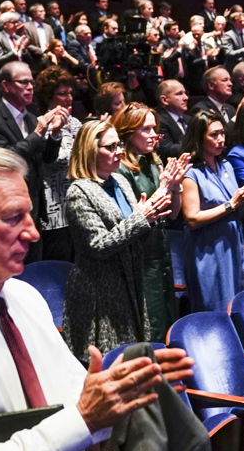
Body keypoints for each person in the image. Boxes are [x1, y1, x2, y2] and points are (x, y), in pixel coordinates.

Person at [0, 146, 193, 451]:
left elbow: (72, 392)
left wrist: (119, 392)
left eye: (29, 214)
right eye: (13, 217)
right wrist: (84, 420)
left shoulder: (24, 297)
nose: (32, 233)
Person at [63, 120, 173, 356]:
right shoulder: (79, 192)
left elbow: (135, 228)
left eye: (119, 145)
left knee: (134, 359)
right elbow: (99, 245)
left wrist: (155, 210)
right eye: (110, 147)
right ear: (90, 151)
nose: (119, 151)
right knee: (110, 363)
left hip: (130, 282)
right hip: (100, 292)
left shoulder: (121, 182)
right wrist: (141, 218)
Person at [112, 103, 188, 341]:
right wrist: (165, 186)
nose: (154, 134)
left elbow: (173, 214)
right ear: (127, 132)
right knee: (149, 322)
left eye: (154, 128)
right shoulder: (120, 169)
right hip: (139, 253)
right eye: (145, 129)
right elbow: (137, 217)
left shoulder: (153, 162)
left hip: (160, 249)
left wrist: (175, 188)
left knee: (166, 317)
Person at [0, 61, 66, 256]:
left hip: (33, 205)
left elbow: (47, 159)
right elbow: (3, 160)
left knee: (35, 267)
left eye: (32, 82)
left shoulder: (32, 118)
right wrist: (38, 133)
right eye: (23, 82)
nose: (30, 87)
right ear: (6, 86)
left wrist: (55, 135)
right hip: (7, 209)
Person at [180, 111, 244, 312]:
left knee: (235, 305)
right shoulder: (190, 173)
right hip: (207, 248)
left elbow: (236, 207)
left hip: (232, 243)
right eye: (214, 135)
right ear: (199, 138)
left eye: (222, 133)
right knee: (213, 307)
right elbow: (192, 218)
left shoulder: (226, 166)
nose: (221, 139)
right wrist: (231, 204)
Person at [35, 67, 82, 262]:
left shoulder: (76, 123)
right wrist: (55, 132)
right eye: (62, 94)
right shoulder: (41, 123)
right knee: (59, 266)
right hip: (54, 207)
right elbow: (48, 160)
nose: (68, 98)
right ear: (48, 97)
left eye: (70, 93)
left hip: (77, 205)